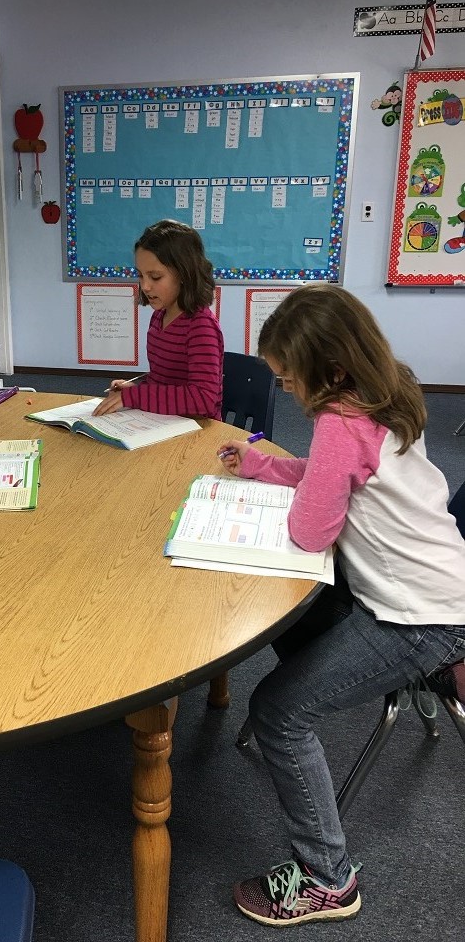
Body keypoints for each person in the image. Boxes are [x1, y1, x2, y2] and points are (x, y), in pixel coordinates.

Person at [218, 284, 465, 927]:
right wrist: (261, 468)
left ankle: (327, 876)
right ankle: (320, 694)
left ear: (328, 372)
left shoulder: (338, 424)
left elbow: (310, 532)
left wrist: (281, 485)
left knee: (277, 711)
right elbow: (328, 476)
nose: (290, 393)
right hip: (441, 592)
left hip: (420, 622)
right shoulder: (383, 394)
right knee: (300, 618)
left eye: (291, 381)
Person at [93, 219, 223, 418]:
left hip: (196, 431)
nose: (145, 286)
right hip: (164, 422)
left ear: (183, 273)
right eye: (141, 275)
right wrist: (134, 389)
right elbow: (165, 382)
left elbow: (203, 399)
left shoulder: (201, 326)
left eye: (155, 277)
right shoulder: (158, 317)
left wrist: (137, 396)